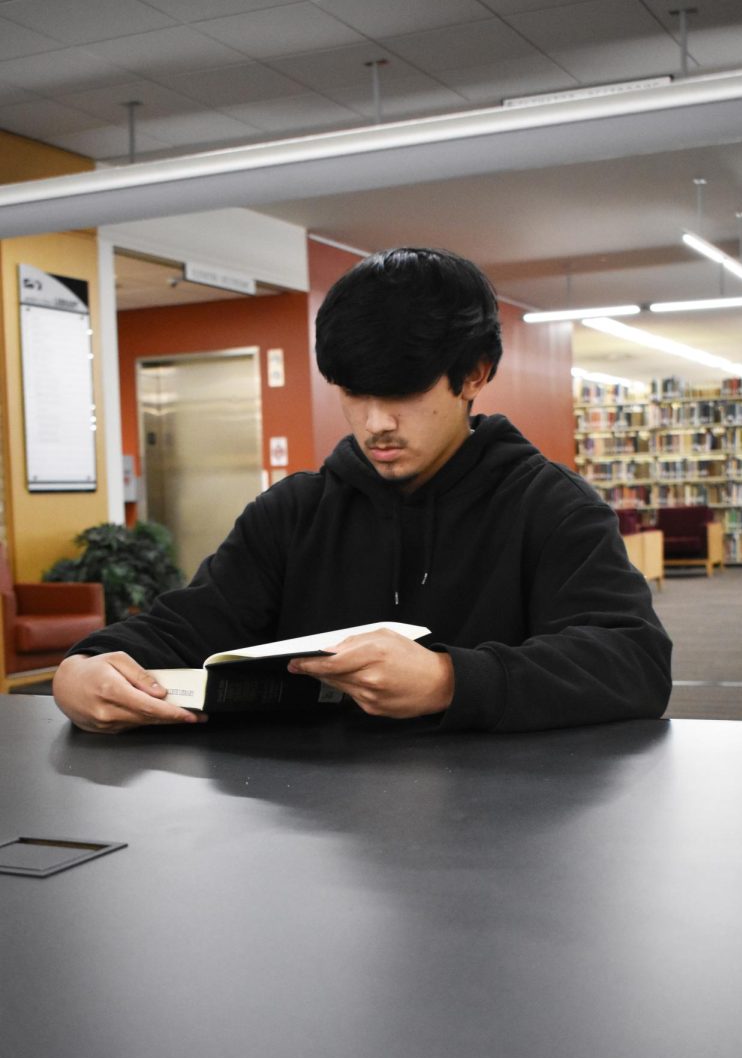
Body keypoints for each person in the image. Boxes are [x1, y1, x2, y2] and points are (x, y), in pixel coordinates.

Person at [53, 246, 672, 734]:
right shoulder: (291, 514)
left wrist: (451, 680)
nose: (376, 422)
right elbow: (181, 629)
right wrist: (80, 672)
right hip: (313, 834)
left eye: (402, 393)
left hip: (498, 827)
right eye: (354, 393)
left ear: (475, 374)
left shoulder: (554, 508)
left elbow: (634, 663)